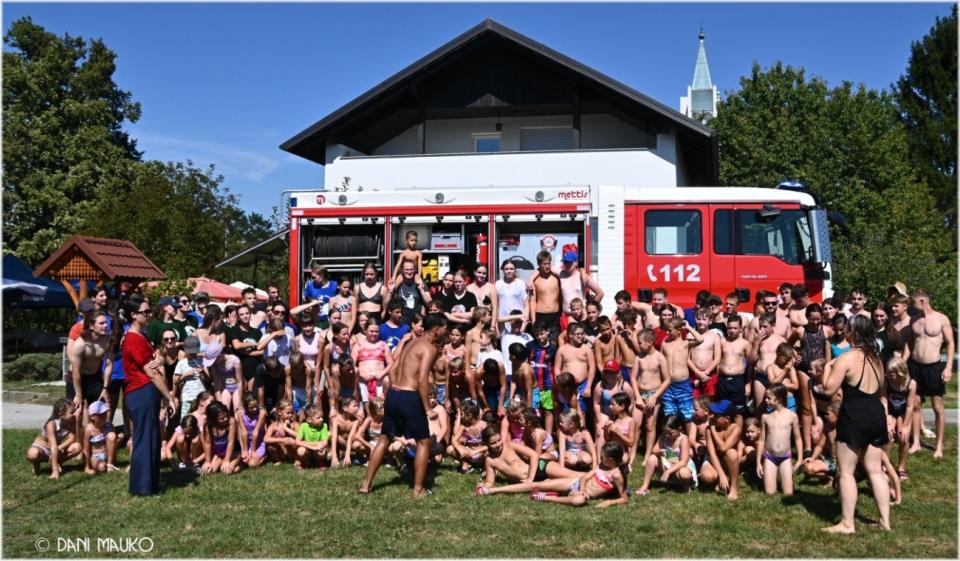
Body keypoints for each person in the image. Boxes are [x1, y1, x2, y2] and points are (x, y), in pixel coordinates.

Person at [358, 313, 447, 497]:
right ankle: (418, 489)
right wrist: (427, 408)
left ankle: (365, 485)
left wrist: (394, 389)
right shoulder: (428, 348)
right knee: (424, 442)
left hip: (394, 394)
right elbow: (422, 379)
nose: (446, 332)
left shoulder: (411, 342)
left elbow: (394, 367)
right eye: (445, 329)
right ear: (437, 330)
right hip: (409, 397)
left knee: (384, 439)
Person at [822, 315, 891, 533]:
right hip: (875, 412)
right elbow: (882, 390)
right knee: (875, 470)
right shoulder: (877, 358)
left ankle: (847, 523)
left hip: (854, 414)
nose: (844, 331)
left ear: (853, 332)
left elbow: (828, 389)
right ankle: (885, 521)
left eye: (848, 328)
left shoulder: (846, 358)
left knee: (846, 471)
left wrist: (828, 366)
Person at [122, 295, 178, 496]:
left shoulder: (143, 336)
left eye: (149, 311)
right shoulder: (133, 339)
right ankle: (141, 487)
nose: (149, 315)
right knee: (144, 439)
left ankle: (152, 483)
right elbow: (151, 372)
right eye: (145, 312)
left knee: (153, 438)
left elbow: (158, 359)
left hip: (147, 392)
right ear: (133, 314)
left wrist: (160, 359)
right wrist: (169, 397)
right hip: (141, 392)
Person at [477, 441, 629, 508]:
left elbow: (624, 498)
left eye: (603, 457)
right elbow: (584, 477)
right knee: (535, 485)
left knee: (578, 501)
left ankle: (546, 497)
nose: (600, 459)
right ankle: (492, 491)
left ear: (611, 460)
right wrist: (582, 488)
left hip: (581, 494)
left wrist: (608, 502)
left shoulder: (616, 475)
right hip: (575, 483)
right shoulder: (602, 465)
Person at [903, 288, 953, 459]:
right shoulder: (913, 320)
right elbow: (910, 344)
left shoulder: (941, 319)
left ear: (923, 301)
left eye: (913, 302)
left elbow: (951, 343)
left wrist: (948, 367)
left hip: (934, 367)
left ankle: (938, 446)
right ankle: (916, 442)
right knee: (916, 404)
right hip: (915, 366)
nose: (911, 305)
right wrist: (903, 361)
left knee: (937, 407)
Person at [479, 424, 584, 490]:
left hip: (540, 466)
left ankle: (593, 477)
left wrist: (530, 478)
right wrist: (484, 486)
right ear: (487, 444)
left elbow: (534, 455)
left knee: (573, 475)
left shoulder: (510, 445)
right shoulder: (490, 460)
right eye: (493, 443)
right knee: (571, 483)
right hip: (535, 481)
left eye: (499, 440)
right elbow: (490, 481)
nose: (498, 444)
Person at [660, 317, 703, 441]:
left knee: (687, 415)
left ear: (679, 330)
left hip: (682, 384)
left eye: (670, 330)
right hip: (668, 385)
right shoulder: (665, 343)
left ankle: (689, 442)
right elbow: (661, 361)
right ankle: (671, 444)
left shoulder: (685, 343)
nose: (667, 332)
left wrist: (688, 327)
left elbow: (700, 339)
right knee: (669, 414)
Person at [757, 383, 802, 496]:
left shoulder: (792, 416)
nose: (766, 400)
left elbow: (798, 438)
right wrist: (758, 462)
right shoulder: (765, 417)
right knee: (769, 493)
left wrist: (799, 459)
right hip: (769, 457)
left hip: (785, 457)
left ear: (779, 399)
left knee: (788, 493)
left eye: (769, 398)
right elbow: (761, 440)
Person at [637, 415, 697, 494]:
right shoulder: (664, 436)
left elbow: (683, 461)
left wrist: (668, 471)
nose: (667, 435)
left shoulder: (683, 439)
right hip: (669, 463)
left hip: (682, 466)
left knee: (684, 474)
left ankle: (686, 486)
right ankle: (645, 486)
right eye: (665, 432)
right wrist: (660, 452)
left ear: (679, 429)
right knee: (652, 458)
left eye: (670, 433)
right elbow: (654, 450)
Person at [699, 399, 743, 500]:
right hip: (712, 458)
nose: (712, 417)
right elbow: (712, 453)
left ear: (727, 418)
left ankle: (733, 487)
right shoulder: (708, 429)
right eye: (712, 414)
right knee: (707, 477)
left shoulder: (735, 428)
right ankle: (723, 479)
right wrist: (721, 475)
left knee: (732, 453)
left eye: (716, 415)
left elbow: (723, 448)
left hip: (727, 459)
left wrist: (713, 430)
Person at [27, 398, 81, 479]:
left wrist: (60, 447)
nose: (75, 414)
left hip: (55, 447)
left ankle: (58, 462)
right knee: (33, 454)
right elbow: (53, 446)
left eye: (75, 411)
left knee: (77, 447)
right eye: (71, 412)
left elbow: (72, 439)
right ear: (60, 413)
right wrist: (55, 471)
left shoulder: (72, 422)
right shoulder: (51, 424)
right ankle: (37, 463)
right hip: (42, 449)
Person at [69, 310, 112, 412]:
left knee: (98, 412)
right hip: (77, 378)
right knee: (75, 413)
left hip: (95, 377)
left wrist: (105, 388)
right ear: (92, 326)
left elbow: (109, 364)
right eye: (101, 323)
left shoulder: (107, 341)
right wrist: (78, 394)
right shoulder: (80, 344)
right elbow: (75, 372)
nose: (106, 326)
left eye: (106, 322)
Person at [883, 357, 916, 480]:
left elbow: (910, 406)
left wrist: (906, 426)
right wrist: (887, 420)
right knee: (888, 435)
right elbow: (884, 400)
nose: (889, 376)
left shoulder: (911, 384)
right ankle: (885, 465)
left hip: (903, 413)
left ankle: (901, 468)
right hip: (890, 412)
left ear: (900, 372)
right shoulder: (886, 381)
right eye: (888, 373)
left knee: (904, 438)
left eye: (892, 374)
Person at [554, 323, 597, 413]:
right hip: (566, 386)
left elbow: (592, 368)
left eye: (582, 333)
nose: (581, 336)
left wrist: (588, 386)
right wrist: (559, 385)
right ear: (570, 335)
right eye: (578, 334)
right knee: (566, 413)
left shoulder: (586, 349)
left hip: (582, 385)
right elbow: (557, 368)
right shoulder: (562, 350)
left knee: (581, 412)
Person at [528, 250, 562, 343]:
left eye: (549, 263)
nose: (547, 266)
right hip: (540, 315)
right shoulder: (535, 280)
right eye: (544, 264)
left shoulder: (557, 278)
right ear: (539, 265)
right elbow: (532, 301)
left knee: (554, 343)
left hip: (555, 315)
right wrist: (533, 320)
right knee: (540, 342)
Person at [387, 259, 432, 326]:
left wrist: (421, 289)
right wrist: (390, 291)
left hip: (417, 321)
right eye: (407, 270)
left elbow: (429, 304)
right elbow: (387, 304)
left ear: (414, 270)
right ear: (402, 270)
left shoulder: (420, 283)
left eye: (411, 269)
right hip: (401, 322)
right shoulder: (398, 284)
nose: (409, 272)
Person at [689, 308, 722, 399]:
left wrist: (706, 373)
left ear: (710, 321)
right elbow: (687, 358)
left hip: (710, 376)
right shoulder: (690, 335)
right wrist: (698, 373)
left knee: (710, 402)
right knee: (695, 402)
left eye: (704, 319)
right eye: (698, 319)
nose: (701, 322)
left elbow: (717, 358)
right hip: (694, 376)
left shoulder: (715, 337)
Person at [201, 401, 241, 475]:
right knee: (210, 471)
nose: (225, 419)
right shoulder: (208, 425)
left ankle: (240, 465)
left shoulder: (231, 421)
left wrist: (227, 459)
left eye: (226, 416)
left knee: (226, 471)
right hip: (218, 454)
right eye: (221, 418)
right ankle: (225, 464)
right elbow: (207, 443)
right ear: (213, 419)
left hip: (233, 452)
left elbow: (230, 442)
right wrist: (207, 461)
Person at [173, 336, 208, 419]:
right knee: (185, 420)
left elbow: (208, 380)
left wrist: (203, 371)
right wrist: (185, 375)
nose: (192, 354)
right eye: (190, 352)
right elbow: (175, 381)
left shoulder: (202, 361)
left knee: (202, 419)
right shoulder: (181, 363)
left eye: (194, 351)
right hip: (187, 398)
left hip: (201, 397)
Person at [82, 400, 117, 476]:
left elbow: (113, 441)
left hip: (108, 454)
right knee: (101, 468)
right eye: (101, 415)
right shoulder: (89, 430)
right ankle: (103, 465)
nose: (105, 416)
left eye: (105, 414)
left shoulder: (109, 426)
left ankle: (110, 464)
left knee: (112, 435)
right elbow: (86, 450)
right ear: (92, 417)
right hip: (96, 455)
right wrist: (87, 467)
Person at [295, 403, 330, 470]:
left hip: (316, 448)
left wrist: (305, 442)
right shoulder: (303, 426)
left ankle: (320, 462)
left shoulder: (324, 426)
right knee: (300, 450)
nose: (321, 419)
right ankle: (305, 463)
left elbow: (325, 442)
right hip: (308, 449)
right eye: (318, 418)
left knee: (321, 450)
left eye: (322, 417)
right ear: (309, 420)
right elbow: (297, 442)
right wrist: (313, 447)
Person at [496, 260, 528, 332]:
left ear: (515, 270)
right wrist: (496, 327)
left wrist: (524, 325)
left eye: (511, 269)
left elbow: (526, 305)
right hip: (503, 323)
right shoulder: (498, 284)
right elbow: (496, 306)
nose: (509, 271)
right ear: (503, 270)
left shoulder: (521, 283)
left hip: (518, 322)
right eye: (506, 269)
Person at [264, 400, 299, 464]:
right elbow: (266, 439)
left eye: (292, 413)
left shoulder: (294, 424)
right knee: (270, 445)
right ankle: (278, 460)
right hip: (281, 452)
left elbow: (301, 436)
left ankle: (296, 459)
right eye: (288, 413)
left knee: (294, 442)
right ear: (279, 412)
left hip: (292, 452)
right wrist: (282, 440)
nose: (290, 415)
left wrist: (286, 428)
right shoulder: (274, 426)